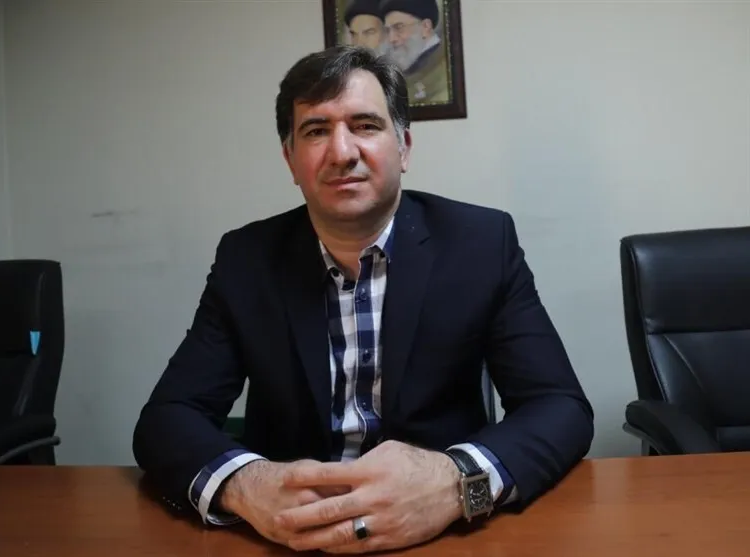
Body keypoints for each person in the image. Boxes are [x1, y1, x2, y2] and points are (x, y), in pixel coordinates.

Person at [133, 45, 594, 554]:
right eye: (316, 130)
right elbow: (168, 417)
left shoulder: (481, 243)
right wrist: (246, 485)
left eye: (366, 125)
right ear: (290, 159)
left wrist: (457, 482)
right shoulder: (247, 259)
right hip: (289, 538)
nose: (342, 152)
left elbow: (559, 407)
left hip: (440, 533)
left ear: (404, 147)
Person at [381, 0, 448, 103]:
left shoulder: (441, 68)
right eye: (387, 31)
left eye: (399, 27)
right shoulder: (413, 66)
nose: (391, 39)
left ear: (425, 27)